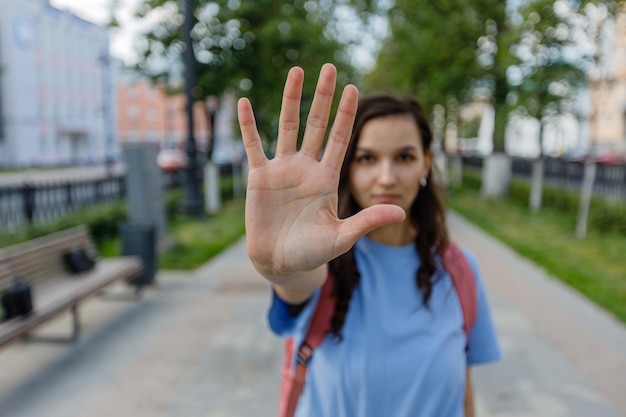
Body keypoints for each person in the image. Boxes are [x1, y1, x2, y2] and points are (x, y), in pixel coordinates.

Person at [237, 63, 501, 417]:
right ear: (347, 167)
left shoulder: (460, 269)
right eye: (367, 158)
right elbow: (297, 281)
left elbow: (463, 392)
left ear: (426, 164)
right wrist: (281, 267)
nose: (387, 177)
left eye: (404, 157)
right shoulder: (321, 257)